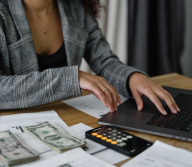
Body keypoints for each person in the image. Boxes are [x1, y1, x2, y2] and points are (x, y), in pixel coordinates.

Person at [0, 0, 180, 115]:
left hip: (67, 117)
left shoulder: (76, 8)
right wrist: (72, 78)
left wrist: (131, 77)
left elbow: (104, 61)